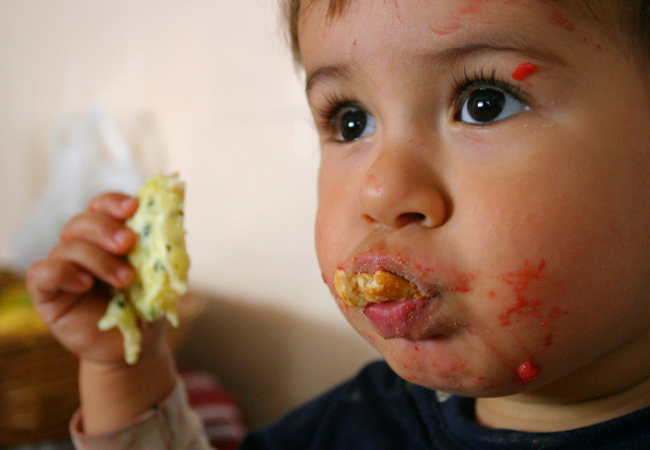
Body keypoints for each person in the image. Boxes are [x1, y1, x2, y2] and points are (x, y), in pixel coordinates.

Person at [25, 0, 650, 448]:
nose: (379, 190)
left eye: (484, 104)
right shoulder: (353, 424)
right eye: (351, 120)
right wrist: (125, 372)